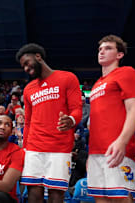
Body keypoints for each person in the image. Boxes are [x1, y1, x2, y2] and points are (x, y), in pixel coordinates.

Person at [15, 43, 82, 202]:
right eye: (23, 66)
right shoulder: (28, 89)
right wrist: (25, 148)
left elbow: (77, 109)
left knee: (56, 193)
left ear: (38, 57)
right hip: (34, 147)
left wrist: (71, 120)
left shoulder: (67, 77)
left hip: (59, 146)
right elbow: (28, 122)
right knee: (33, 192)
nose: (25, 68)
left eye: (27, 63)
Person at [87, 35, 135, 201]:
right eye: (100, 49)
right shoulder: (96, 84)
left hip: (116, 147)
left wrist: (122, 141)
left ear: (120, 55)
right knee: (100, 198)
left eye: (108, 48)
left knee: (120, 196)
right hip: (96, 150)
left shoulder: (126, 72)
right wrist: (91, 153)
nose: (102, 52)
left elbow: (134, 109)